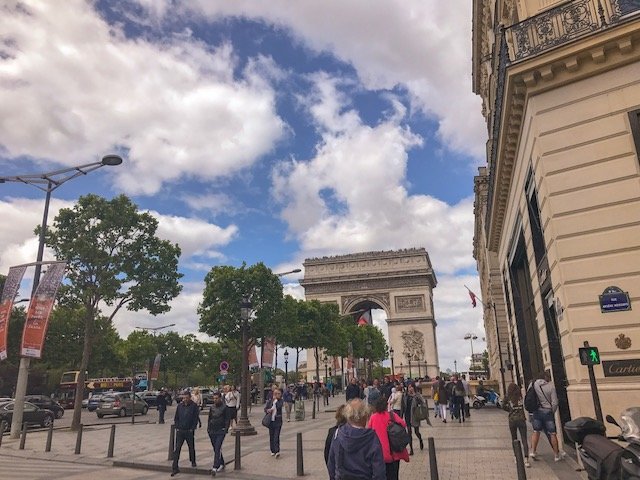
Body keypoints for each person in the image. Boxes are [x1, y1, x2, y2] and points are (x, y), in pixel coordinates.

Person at [327, 399, 385, 480]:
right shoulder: (371, 438)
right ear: (365, 416)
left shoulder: (338, 434)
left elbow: (331, 463)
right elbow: (379, 471)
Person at [368, 397, 410, 480]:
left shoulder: (373, 417)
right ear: (386, 406)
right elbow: (403, 424)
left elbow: (369, 432)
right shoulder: (392, 415)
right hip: (394, 452)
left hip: (379, 454)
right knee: (394, 476)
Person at [529, 371, 566, 462]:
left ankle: (533, 451)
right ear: (546, 377)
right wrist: (552, 411)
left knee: (536, 431)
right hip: (548, 411)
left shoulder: (533, 384)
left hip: (537, 411)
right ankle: (556, 455)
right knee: (552, 433)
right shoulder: (551, 386)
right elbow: (555, 402)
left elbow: (529, 397)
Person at [171, 390, 201, 476]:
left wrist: (192, 428)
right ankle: (175, 467)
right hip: (180, 430)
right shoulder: (180, 406)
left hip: (189, 430)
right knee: (177, 449)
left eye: (186, 398)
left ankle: (193, 460)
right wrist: (177, 427)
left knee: (191, 447)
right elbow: (176, 417)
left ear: (189, 397)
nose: (185, 399)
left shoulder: (194, 406)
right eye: (183, 398)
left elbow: (195, 418)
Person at [504, 383, 530, 468]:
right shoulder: (521, 396)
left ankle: (516, 457)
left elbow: (503, 405)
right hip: (521, 419)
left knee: (514, 438)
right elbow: (525, 405)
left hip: (512, 420)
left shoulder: (508, 397)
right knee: (524, 439)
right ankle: (526, 459)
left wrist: (510, 410)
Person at [207, 391, 231, 476]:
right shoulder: (212, 407)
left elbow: (227, 419)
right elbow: (210, 418)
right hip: (212, 430)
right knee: (216, 448)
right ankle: (221, 462)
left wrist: (225, 429)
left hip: (220, 430)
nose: (215, 400)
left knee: (217, 447)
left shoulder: (225, 408)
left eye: (216, 398)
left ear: (220, 398)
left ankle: (215, 466)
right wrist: (208, 429)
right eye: (214, 398)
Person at [402, 383, 428, 455]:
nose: (410, 388)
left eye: (411, 387)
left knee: (416, 432)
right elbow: (403, 406)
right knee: (409, 432)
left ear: (414, 388)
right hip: (407, 415)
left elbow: (423, 403)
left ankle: (420, 439)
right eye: (409, 387)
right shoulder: (405, 395)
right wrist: (401, 416)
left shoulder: (417, 395)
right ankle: (411, 449)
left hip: (415, 416)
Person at [265, 387, 284, 458]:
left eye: (278, 393)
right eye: (275, 393)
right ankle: (272, 450)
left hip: (278, 421)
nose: (277, 395)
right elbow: (265, 408)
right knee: (271, 436)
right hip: (271, 421)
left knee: (276, 436)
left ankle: (277, 450)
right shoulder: (270, 401)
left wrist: (275, 401)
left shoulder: (280, 401)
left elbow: (279, 406)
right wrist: (268, 410)